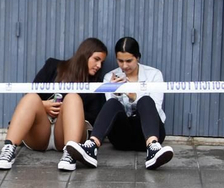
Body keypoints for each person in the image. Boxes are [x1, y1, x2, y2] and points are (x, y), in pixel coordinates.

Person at [0, 38, 108, 172]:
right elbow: (32, 95)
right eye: (96, 59)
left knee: (72, 97)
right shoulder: (54, 66)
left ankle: (70, 155)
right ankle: (8, 149)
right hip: (40, 131)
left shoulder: (96, 84)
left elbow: (95, 119)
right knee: (31, 97)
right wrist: (43, 105)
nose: (99, 65)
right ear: (85, 54)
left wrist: (67, 111)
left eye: (102, 62)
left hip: (67, 135)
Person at [66, 37, 175, 171]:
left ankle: (153, 149)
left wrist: (134, 96)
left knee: (146, 100)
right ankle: (91, 147)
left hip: (149, 135)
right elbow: (110, 113)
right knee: (112, 102)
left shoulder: (154, 75)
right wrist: (115, 93)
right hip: (121, 138)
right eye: (120, 61)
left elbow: (156, 109)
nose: (124, 66)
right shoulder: (110, 77)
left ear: (138, 58)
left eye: (129, 61)